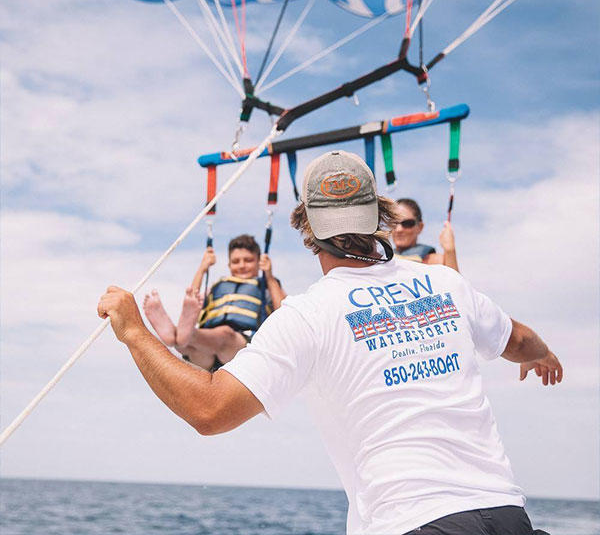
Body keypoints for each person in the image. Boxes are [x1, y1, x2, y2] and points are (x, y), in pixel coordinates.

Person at [98, 151, 561, 535]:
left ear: (307, 226)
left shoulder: (308, 315)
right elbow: (517, 339)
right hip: (508, 517)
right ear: (381, 216)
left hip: (411, 522)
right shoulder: (444, 282)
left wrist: (135, 333)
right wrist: (542, 354)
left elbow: (209, 410)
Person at [142, 234, 285, 371]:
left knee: (222, 334)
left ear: (259, 262)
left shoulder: (266, 285)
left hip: (242, 346)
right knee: (188, 347)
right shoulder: (218, 287)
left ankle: (178, 335)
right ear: (229, 265)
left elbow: (284, 312)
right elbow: (193, 298)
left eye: (248, 260)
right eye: (236, 261)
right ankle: (178, 337)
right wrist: (202, 268)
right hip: (208, 357)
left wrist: (269, 276)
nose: (241, 265)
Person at [393, 197, 459, 271]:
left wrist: (450, 251)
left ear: (420, 227)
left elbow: (455, 281)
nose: (398, 229)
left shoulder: (437, 262)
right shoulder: (381, 261)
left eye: (407, 223)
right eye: (393, 223)